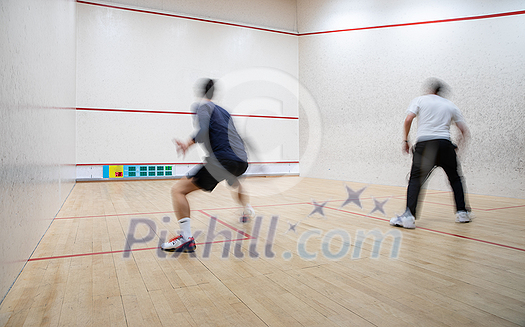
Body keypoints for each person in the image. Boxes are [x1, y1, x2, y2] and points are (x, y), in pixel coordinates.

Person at [161, 78, 255, 252]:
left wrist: (187, 143)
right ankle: (247, 209)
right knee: (235, 182)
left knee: (178, 190)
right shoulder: (225, 111)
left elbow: (203, 131)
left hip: (223, 159)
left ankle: (186, 239)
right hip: (241, 160)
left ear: (201, 92)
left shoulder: (201, 106)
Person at [390, 78, 472, 229]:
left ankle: (409, 216)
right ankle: (462, 213)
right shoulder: (450, 105)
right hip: (445, 145)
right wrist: (457, 149)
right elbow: (464, 131)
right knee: (455, 178)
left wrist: (406, 140)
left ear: (430, 90)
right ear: (441, 92)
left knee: (416, 180)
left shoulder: (420, 100)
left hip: (425, 146)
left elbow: (408, 119)